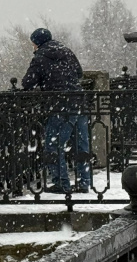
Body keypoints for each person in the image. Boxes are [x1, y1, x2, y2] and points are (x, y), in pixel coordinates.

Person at [21, 28, 91, 194]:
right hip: (79, 102)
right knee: (81, 145)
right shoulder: (66, 51)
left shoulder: (40, 57)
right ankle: (84, 182)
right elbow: (79, 73)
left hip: (60, 105)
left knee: (54, 145)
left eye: (33, 43)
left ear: (37, 42)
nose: (33, 46)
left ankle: (61, 183)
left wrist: (46, 82)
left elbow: (27, 82)